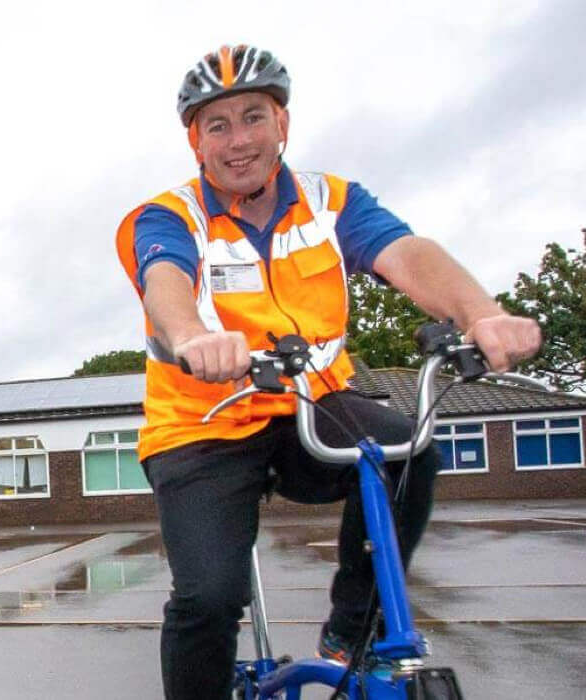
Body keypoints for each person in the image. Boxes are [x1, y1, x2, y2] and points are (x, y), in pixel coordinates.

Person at [115, 44, 541, 699]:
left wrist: (481, 314)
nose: (238, 140)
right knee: (209, 597)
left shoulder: (329, 200)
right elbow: (164, 280)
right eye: (217, 126)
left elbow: (407, 254)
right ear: (195, 141)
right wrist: (195, 337)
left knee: (405, 447)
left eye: (253, 117)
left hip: (310, 403)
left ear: (282, 123)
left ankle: (351, 632)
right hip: (202, 422)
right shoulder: (172, 215)